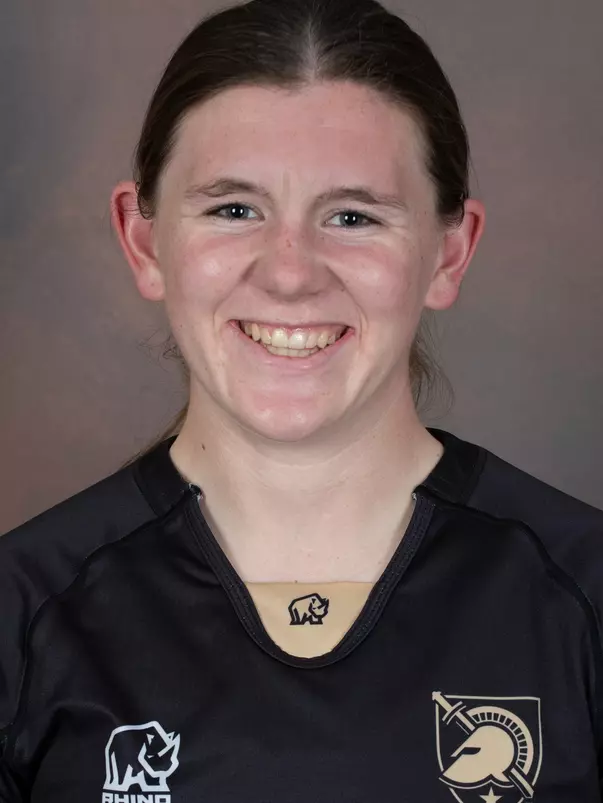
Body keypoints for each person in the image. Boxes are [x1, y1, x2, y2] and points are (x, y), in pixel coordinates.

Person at [1, 0, 602, 800]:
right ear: (143, 241)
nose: (289, 272)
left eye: (352, 216)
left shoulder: (581, 593)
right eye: (233, 209)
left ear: (448, 254)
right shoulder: (24, 609)